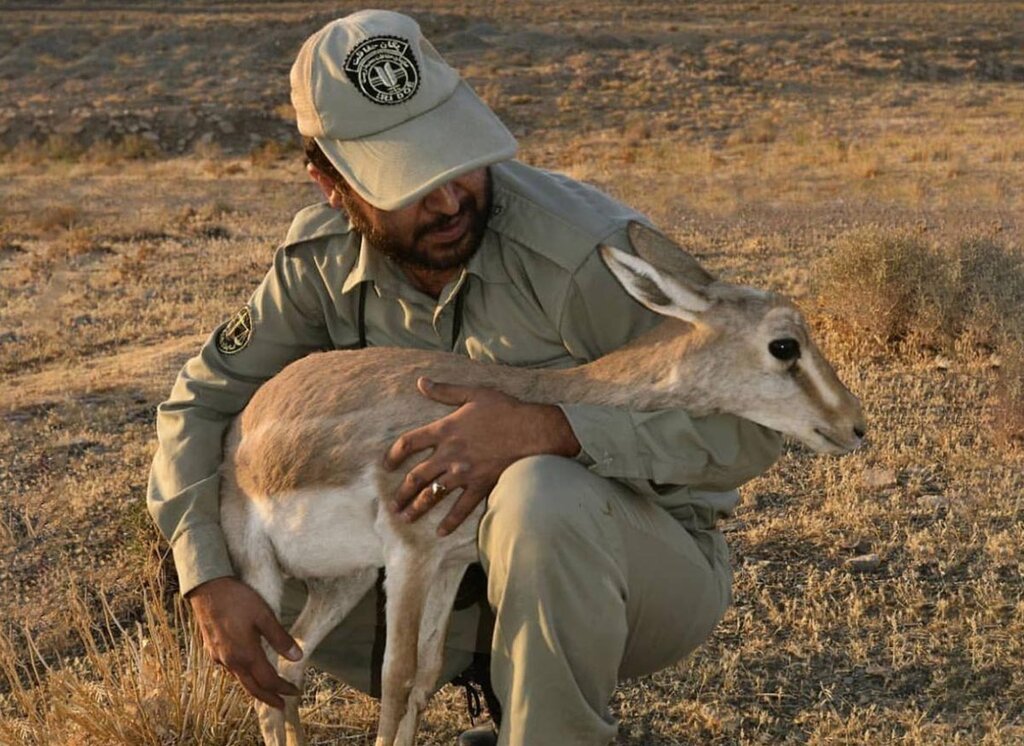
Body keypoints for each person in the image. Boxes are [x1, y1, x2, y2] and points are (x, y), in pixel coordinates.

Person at [147, 10, 782, 746]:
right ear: (330, 185)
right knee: (222, 523)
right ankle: (503, 683)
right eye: (408, 181)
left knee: (539, 493)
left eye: (456, 161)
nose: (449, 201)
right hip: (438, 568)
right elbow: (198, 405)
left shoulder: (583, 256)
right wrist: (206, 576)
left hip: (638, 565)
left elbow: (750, 429)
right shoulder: (317, 264)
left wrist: (556, 430)